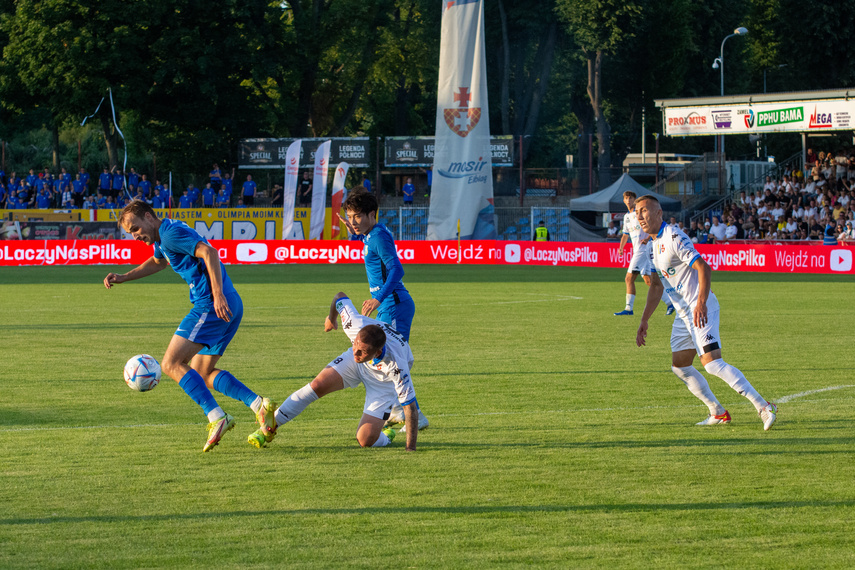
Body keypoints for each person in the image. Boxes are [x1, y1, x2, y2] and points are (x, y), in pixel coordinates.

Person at [104, 201, 278, 451]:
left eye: (135, 229)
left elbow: (209, 252)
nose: (135, 236)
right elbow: (158, 262)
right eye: (130, 232)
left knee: (171, 364)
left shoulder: (170, 234)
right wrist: (124, 277)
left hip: (211, 305)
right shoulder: (163, 237)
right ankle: (258, 405)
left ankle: (217, 417)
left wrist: (217, 295)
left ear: (148, 217)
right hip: (230, 304)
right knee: (202, 372)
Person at [633, 195, 778, 430]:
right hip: (684, 315)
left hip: (701, 308)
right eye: (637, 212)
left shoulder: (674, 236)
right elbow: (657, 286)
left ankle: (764, 406)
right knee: (680, 366)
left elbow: (703, 267)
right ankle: (717, 412)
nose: (640, 216)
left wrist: (700, 303)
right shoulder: (650, 246)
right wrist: (644, 319)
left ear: (659, 213)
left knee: (712, 364)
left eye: (644, 211)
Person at [247, 292, 419, 451]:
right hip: (356, 366)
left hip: (383, 382)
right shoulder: (355, 325)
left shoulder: (396, 367)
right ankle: (266, 430)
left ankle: (385, 435)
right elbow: (339, 297)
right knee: (317, 385)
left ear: (377, 352)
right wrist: (331, 318)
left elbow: (410, 408)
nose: (356, 353)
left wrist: (410, 449)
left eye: (362, 351)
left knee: (365, 440)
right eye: (355, 345)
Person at [339, 186, 428, 432]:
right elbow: (369, 245)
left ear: (371, 214)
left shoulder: (377, 236)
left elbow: (397, 269)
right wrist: (353, 233)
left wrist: (378, 298)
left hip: (394, 305)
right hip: (390, 305)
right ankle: (398, 411)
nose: (353, 221)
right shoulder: (370, 234)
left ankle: (414, 415)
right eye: (350, 216)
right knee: (380, 358)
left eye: (358, 216)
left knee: (391, 359)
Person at [614, 191, 674, 317]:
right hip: (638, 250)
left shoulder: (640, 214)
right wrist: (621, 247)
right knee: (648, 280)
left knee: (629, 278)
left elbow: (651, 226)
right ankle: (670, 303)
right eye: (626, 198)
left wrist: (647, 239)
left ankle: (628, 308)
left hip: (643, 249)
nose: (629, 200)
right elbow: (625, 234)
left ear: (635, 200)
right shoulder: (627, 217)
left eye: (631, 198)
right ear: (624, 200)